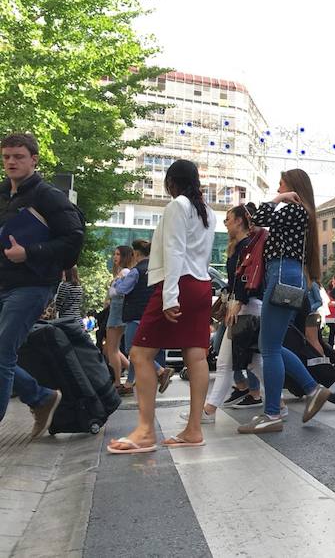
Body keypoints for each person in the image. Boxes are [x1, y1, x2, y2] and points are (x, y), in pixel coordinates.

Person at [107, 160, 217, 453]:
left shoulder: (177, 206)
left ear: (171, 183)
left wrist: (169, 297)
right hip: (202, 285)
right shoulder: (207, 212)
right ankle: (194, 429)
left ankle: (144, 431)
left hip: (177, 283)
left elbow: (174, 251)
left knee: (140, 354)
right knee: (196, 354)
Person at [0, 133, 84, 437]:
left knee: (3, 351)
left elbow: (73, 239)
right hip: (4, 281)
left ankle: (40, 397)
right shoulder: (2, 193)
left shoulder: (48, 196)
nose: (11, 161)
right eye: (7, 156)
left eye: (18, 156)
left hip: (33, 285)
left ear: (34, 159)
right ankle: (41, 396)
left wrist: (29, 253)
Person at [236, 169, 331, 434]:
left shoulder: (294, 210)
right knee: (272, 345)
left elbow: (258, 219)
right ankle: (312, 389)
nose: (278, 189)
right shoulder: (301, 213)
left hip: (281, 275)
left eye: (281, 184)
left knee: (269, 348)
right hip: (285, 275)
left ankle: (272, 413)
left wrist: (279, 199)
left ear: (293, 187)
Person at [181, 206, 264, 424]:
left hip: (246, 309)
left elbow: (249, 278)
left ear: (239, 221)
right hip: (243, 307)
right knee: (249, 362)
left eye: (228, 219)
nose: (225, 223)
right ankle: (210, 410)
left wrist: (238, 302)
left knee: (243, 362)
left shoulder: (248, 246)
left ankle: (209, 410)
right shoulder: (241, 246)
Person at [114, 239, 171, 395]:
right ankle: (130, 382)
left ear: (136, 253)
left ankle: (161, 371)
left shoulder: (135, 271)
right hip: (153, 316)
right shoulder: (157, 271)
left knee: (132, 350)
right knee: (141, 351)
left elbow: (121, 290)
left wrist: (117, 282)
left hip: (135, 317)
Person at [104, 245, 133, 391]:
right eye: (114, 254)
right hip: (118, 312)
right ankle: (133, 375)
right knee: (113, 349)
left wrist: (111, 293)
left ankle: (117, 381)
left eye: (118, 254)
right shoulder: (124, 272)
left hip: (117, 313)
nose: (115, 257)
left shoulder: (125, 272)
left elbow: (118, 293)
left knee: (112, 349)